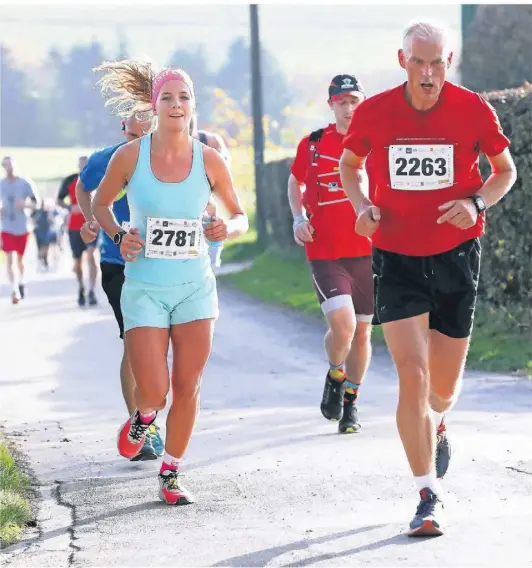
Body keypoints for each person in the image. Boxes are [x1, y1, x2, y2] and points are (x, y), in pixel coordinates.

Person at [339, 20, 517, 536]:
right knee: (412, 377)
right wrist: (363, 204)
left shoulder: (472, 108)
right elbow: (351, 167)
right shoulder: (374, 112)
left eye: (438, 62)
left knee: (441, 388)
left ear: (449, 62)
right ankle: (426, 494)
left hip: (457, 255)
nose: (429, 73)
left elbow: (504, 170)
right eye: (419, 62)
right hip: (395, 256)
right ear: (402, 62)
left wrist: (475, 200)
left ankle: (439, 421)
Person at [91, 60, 248, 505]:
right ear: (154, 105)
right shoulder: (131, 156)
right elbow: (101, 205)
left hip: (195, 287)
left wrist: (227, 229)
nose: (176, 105)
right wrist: (121, 235)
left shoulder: (209, 159)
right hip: (143, 288)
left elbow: (239, 214)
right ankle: (143, 415)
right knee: (155, 390)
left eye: (183, 97)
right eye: (167, 97)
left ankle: (172, 471)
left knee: (187, 384)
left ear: (192, 105)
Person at [288, 75, 373, 435]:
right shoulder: (314, 144)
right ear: (331, 105)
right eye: (342, 101)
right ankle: (336, 374)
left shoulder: (376, 143)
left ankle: (351, 405)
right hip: (325, 250)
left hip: (368, 251)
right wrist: (298, 218)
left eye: (354, 101)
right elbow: (296, 182)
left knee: (363, 333)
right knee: (344, 325)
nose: (349, 108)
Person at [76, 116, 165, 462]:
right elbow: (84, 187)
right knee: (135, 341)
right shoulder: (108, 158)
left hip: (161, 264)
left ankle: (147, 413)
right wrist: (91, 220)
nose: (138, 132)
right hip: (119, 264)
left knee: (157, 345)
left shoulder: (167, 156)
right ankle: (141, 427)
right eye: (130, 128)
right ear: (123, 124)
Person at [57, 156, 98, 307]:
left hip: (92, 225)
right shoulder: (69, 180)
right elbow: (59, 200)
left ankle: (92, 291)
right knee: (78, 263)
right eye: (82, 165)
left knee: (92, 256)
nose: (84, 167)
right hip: (74, 227)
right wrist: (69, 208)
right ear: (78, 166)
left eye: (86, 165)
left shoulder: (97, 180)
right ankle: (81, 288)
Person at [0, 156, 38, 304]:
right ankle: (14, 289)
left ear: (15, 165)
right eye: (6, 165)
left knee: (20, 260)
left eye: (11, 165)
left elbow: (37, 203)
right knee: (9, 259)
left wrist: (25, 204)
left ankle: (21, 282)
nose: (9, 168)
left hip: (23, 227)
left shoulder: (25, 183)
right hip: (6, 227)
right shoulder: (1, 184)